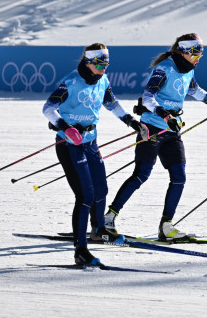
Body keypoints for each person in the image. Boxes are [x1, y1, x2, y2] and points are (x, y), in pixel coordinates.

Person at [104, 33, 207, 241]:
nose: (199, 57)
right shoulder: (165, 68)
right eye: (196, 53)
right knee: (141, 174)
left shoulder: (187, 69)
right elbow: (148, 98)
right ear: (184, 52)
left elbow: (195, 91)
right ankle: (109, 217)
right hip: (152, 128)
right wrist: (165, 115)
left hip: (172, 131)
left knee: (179, 177)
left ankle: (166, 225)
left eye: (201, 53)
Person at [42, 43, 146, 267]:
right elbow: (48, 108)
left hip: (91, 142)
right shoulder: (71, 82)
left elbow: (112, 104)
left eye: (106, 64)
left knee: (101, 189)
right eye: (99, 64)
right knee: (85, 197)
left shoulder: (103, 81)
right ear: (88, 62)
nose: (103, 69)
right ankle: (81, 251)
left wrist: (131, 122)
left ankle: (98, 230)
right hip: (69, 144)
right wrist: (64, 127)